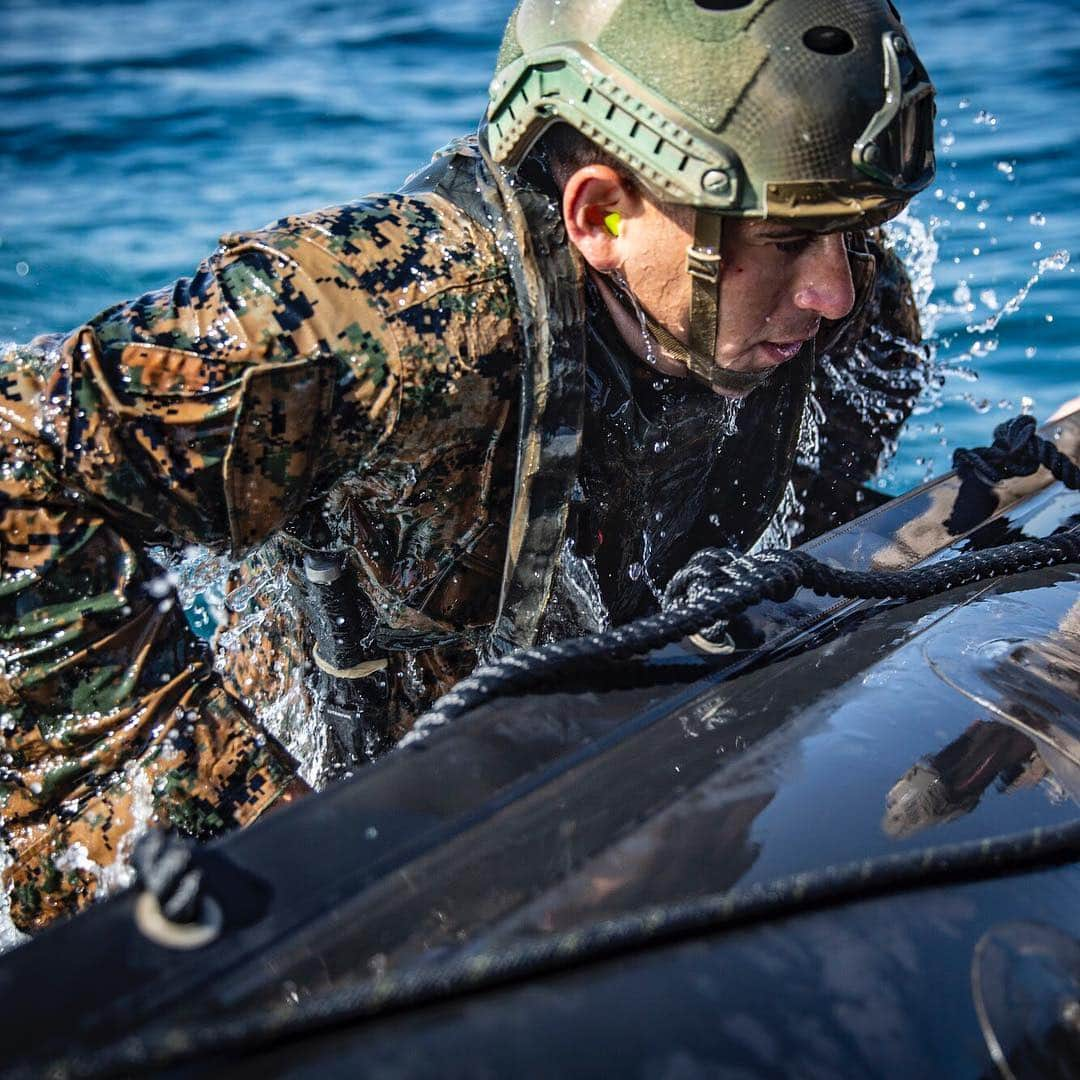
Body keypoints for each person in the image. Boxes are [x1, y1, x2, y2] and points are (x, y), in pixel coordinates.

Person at [0, 0, 936, 931]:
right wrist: (248, 834)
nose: (833, 288)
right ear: (602, 215)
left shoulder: (844, 305)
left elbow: (834, 463)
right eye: (785, 244)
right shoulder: (391, 319)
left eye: (854, 232)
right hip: (340, 779)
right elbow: (21, 448)